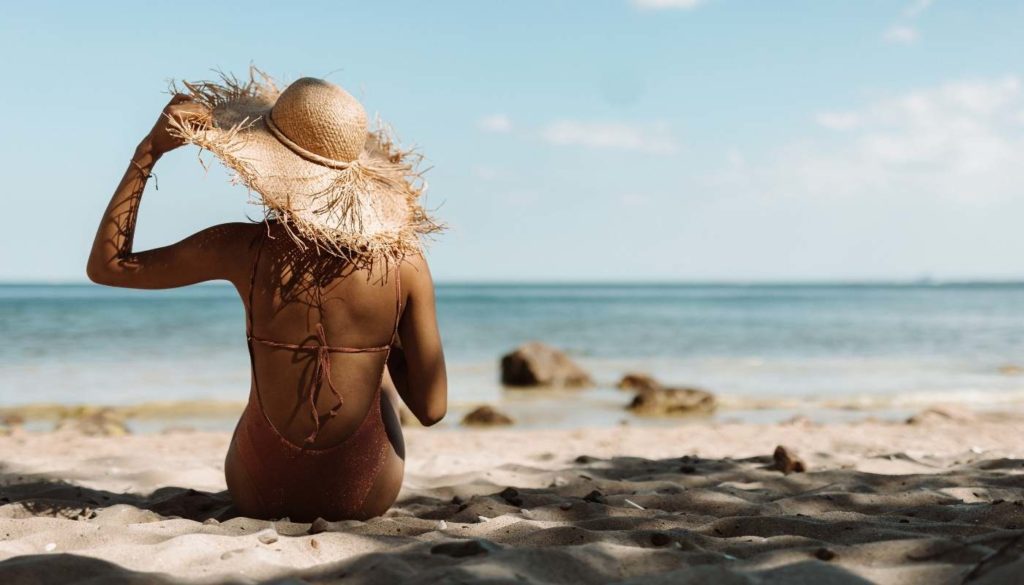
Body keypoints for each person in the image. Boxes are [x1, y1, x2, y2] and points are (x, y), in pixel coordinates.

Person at [86, 71, 447, 521]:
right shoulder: (405, 264)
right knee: (382, 381)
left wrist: (148, 153)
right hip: (365, 490)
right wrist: (385, 341)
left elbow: (108, 267)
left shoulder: (243, 248)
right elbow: (433, 410)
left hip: (258, 489)